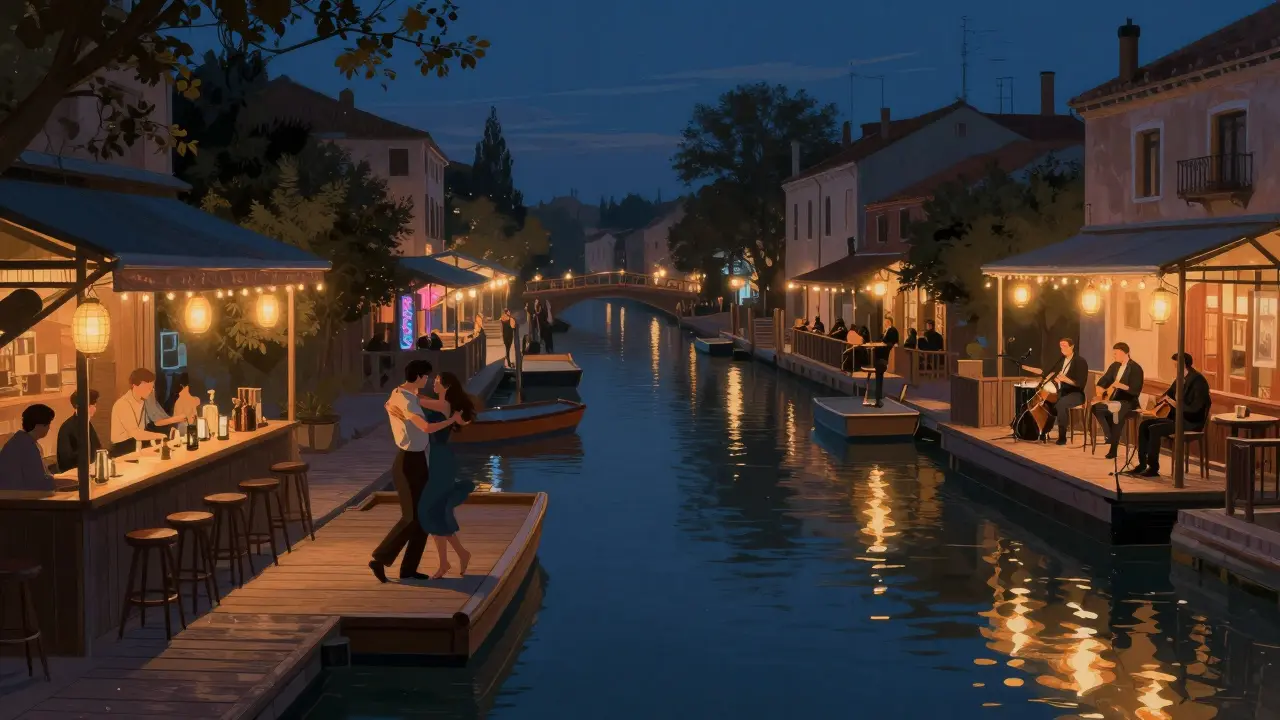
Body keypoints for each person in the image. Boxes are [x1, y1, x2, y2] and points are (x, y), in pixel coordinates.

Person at [370, 360, 468, 583]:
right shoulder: (408, 401)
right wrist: (452, 420)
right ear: (420, 377)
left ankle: (409, 568)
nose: (428, 381)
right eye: (426, 377)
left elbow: (390, 403)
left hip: (416, 460)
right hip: (408, 462)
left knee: (422, 516)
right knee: (412, 517)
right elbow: (425, 427)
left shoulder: (400, 393)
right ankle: (380, 557)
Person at [415, 371, 478, 579]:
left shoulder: (444, 406)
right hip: (437, 458)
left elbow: (418, 400)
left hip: (442, 459)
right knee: (436, 511)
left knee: (428, 508)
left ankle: (454, 558)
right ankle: (450, 560)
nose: (434, 383)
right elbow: (423, 400)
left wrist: (405, 391)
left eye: (438, 381)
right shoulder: (441, 403)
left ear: (447, 386)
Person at [1128, 353, 1211, 478]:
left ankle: (1153, 468)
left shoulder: (1198, 381)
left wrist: (1175, 404)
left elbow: (1196, 409)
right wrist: (1157, 400)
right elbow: (1168, 395)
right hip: (1176, 420)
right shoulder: (1179, 378)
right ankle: (1142, 464)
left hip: (1190, 422)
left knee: (1154, 429)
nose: (1174, 367)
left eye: (1175, 365)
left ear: (1183, 365)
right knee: (1145, 425)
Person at [1023, 338, 1089, 446]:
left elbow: (1080, 384)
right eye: (1060, 346)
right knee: (1045, 403)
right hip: (1061, 391)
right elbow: (1049, 372)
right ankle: (1042, 432)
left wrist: (1065, 379)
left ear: (1072, 347)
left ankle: (1062, 437)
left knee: (1061, 405)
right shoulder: (1061, 360)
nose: (1062, 348)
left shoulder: (1080, 361)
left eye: (1064, 346)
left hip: (1076, 394)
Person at [1090, 342, 1145, 459]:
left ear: (1125, 353)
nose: (1114, 356)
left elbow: (1135, 391)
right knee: (1096, 407)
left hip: (1129, 401)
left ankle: (1113, 449)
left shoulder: (1136, 368)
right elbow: (1103, 381)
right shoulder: (1114, 366)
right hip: (1114, 400)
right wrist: (1100, 392)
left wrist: (1120, 385)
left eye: (1116, 354)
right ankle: (1109, 435)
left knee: (1116, 412)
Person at [110, 368, 182, 456]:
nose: (151, 390)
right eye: (147, 387)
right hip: (122, 449)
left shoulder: (144, 401)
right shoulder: (122, 404)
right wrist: (161, 436)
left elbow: (154, 422)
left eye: (152, 387)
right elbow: (136, 433)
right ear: (135, 386)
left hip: (137, 447)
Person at [0, 404, 56, 491]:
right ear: (38, 426)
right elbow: (38, 483)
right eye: (47, 424)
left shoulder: (20, 440)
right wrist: (56, 482)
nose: (49, 428)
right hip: (19, 500)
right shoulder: (26, 446)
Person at [57, 390, 103, 473]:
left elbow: (97, 447)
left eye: (94, 404)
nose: (94, 408)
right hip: (74, 474)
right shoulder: (67, 427)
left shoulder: (87, 424)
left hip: (89, 470)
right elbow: (65, 460)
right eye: (91, 405)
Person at [870, 315, 899, 407]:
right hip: (881, 355)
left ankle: (878, 398)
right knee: (878, 376)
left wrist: (881, 343)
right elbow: (881, 339)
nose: (884, 324)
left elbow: (889, 342)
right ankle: (877, 398)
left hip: (885, 356)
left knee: (879, 375)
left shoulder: (892, 330)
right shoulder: (885, 331)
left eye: (886, 322)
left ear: (889, 322)